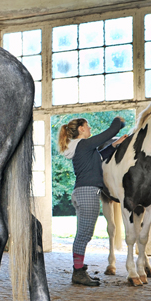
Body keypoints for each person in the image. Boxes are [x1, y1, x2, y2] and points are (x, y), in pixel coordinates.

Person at [58, 117, 128, 286]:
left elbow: (99, 157)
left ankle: (79, 270)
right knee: (84, 235)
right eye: (87, 126)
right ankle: (78, 273)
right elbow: (110, 131)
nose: (90, 128)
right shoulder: (83, 144)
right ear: (81, 129)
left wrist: (115, 145)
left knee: (83, 234)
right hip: (87, 193)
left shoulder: (82, 148)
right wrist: (118, 121)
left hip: (84, 192)